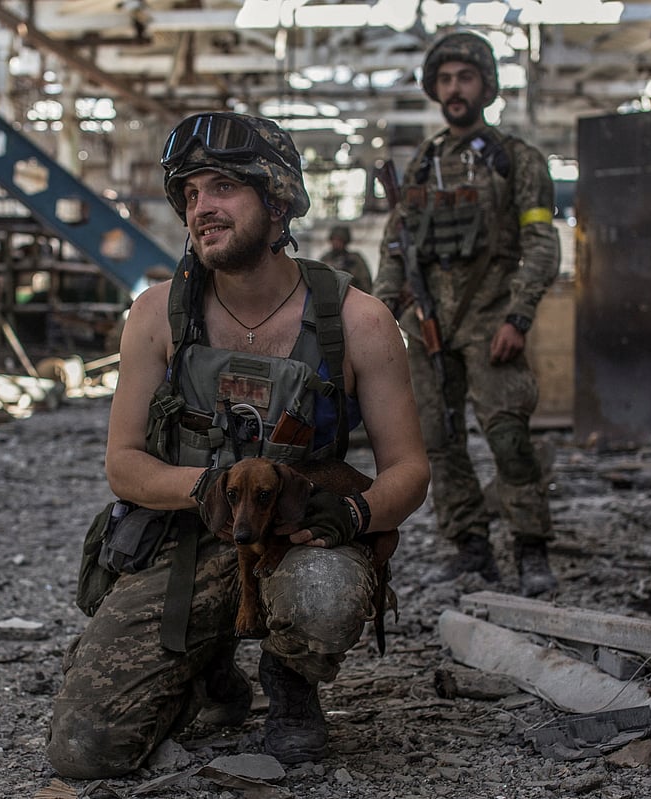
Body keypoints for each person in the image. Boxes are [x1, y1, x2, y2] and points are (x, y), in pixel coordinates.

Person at [47, 112, 430, 777]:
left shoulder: (358, 320)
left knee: (321, 595)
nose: (202, 207)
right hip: (188, 541)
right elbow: (124, 462)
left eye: (222, 186)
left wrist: (353, 515)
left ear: (277, 199)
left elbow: (410, 469)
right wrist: (202, 490)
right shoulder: (155, 314)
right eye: (190, 193)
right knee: (84, 749)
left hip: (292, 538)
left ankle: (290, 684)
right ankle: (213, 676)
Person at [373, 31, 561, 597]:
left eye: (467, 78)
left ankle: (531, 548)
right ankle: (472, 550)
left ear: (485, 86)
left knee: (508, 438)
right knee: (439, 441)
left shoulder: (516, 161)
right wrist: (380, 317)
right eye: (446, 79)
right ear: (435, 89)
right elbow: (395, 250)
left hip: (491, 323)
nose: (456, 89)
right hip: (428, 331)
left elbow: (542, 244)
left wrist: (518, 317)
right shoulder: (424, 166)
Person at [319, 225, 373, 294]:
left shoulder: (355, 259)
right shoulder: (325, 258)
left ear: (345, 242)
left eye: (339, 240)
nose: (336, 243)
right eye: (334, 240)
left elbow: (365, 282)